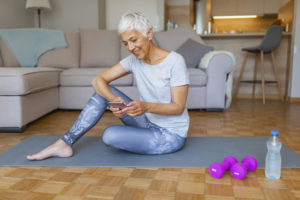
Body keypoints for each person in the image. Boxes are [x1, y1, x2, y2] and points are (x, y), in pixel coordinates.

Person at [27, 12, 190, 160]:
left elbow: (178, 107)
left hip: (170, 135)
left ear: (149, 33)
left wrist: (146, 107)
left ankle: (66, 144)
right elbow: (98, 80)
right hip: (146, 121)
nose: (131, 48)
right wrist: (113, 100)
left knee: (110, 135)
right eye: (126, 43)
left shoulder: (175, 61)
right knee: (102, 93)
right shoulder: (133, 60)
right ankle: (64, 143)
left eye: (134, 40)